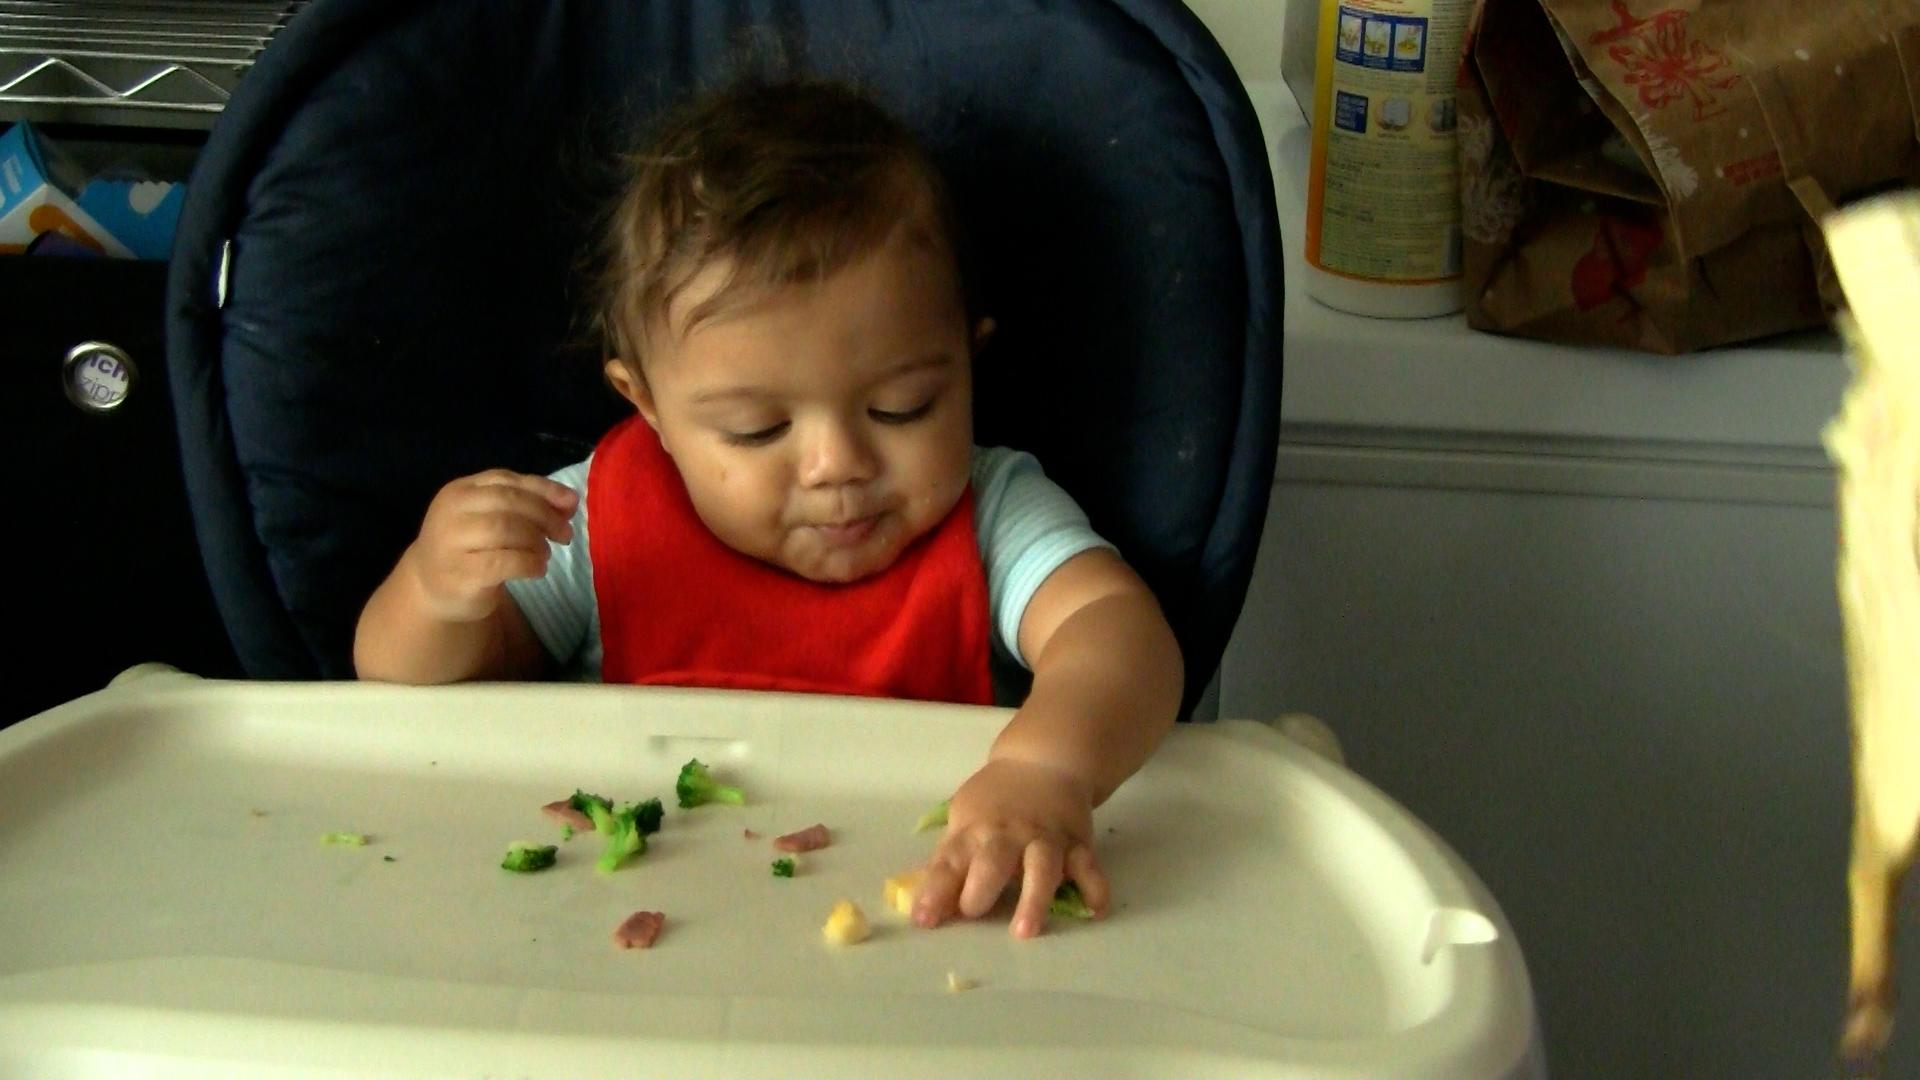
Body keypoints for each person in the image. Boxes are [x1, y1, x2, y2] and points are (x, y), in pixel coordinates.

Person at [354, 79, 1183, 937]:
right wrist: (437, 591)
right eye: (757, 430)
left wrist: (1049, 768)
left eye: (902, 408)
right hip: (632, 955)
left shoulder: (992, 514)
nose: (837, 466)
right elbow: (413, 698)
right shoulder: (599, 518)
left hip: (929, 941)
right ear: (651, 411)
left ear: (967, 362)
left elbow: (1121, 634)